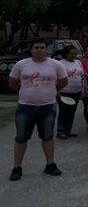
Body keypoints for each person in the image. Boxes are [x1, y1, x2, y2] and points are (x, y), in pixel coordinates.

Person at [8, 39, 67, 181]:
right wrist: (25, 92)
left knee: (47, 136)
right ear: (32, 49)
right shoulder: (21, 64)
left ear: (47, 50)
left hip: (48, 107)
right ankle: (17, 168)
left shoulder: (56, 65)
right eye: (36, 47)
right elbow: (13, 82)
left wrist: (52, 91)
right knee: (21, 137)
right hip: (25, 107)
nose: (39, 49)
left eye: (42, 47)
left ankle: (50, 165)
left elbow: (63, 81)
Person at [57, 45, 85, 139]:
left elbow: (82, 75)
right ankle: (61, 130)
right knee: (64, 111)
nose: (74, 55)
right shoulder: (61, 63)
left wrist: (85, 87)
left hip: (76, 91)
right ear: (66, 54)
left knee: (72, 111)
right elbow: (57, 77)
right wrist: (57, 90)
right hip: (65, 91)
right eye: (72, 54)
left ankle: (68, 129)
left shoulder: (78, 62)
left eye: (75, 53)